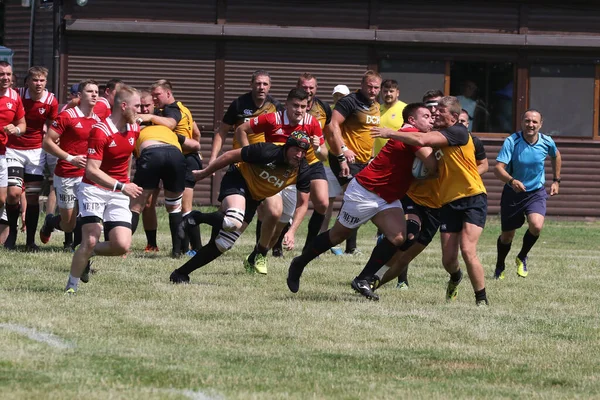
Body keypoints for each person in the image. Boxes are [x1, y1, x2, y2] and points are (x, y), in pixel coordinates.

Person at [286, 103, 437, 300]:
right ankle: (300, 262)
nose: (432, 119)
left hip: (387, 198)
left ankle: (363, 280)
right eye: (426, 116)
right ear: (412, 121)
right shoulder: (411, 134)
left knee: (399, 237)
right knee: (338, 235)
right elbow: (433, 165)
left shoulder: (417, 137)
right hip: (366, 192)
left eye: (432, 116)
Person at [372, 96, 489, 306]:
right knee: (448, 260)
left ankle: (481, 300)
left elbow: (421, 140)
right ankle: (455, 277)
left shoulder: (458, 132)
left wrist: (390, 133)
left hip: (473, 198)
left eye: (440, 110)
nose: (435, 113)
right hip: (448, 202)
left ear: (454, 117)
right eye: (433, 111)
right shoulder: (439, 135)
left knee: (467, 249)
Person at [169, 131, 312, 283]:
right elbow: (230, 156)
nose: (299, 155)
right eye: (296, 149)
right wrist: (204, 173)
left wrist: (292, 231)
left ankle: (181, 273)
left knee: (223, 244)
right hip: (238, 179)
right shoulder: (267, 151)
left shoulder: (302, 170)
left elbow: (303, 204)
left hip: (254, 198)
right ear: (287, 146)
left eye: (303, 152)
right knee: (233, 221)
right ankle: (197, 217)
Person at [233, 88, 325, 273]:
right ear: (287, 104)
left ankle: (257, 254)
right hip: (270, 175)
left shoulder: (312, 123)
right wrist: (248, 155)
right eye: (295, 106)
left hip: (292, 177)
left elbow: (323, 155)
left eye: (303, 107)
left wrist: (317, 148)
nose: (299, 110)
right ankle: (251, 252)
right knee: (274, 213)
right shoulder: (273, 118)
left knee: (279, 227)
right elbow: (242, 129)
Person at [64, 86, 143, 294]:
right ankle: (71, 287)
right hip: (94, 189)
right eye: (137, 106)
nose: (140, 110)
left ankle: (86, 253)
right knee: (90, 238)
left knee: (121, 245)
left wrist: (124, 183)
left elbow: (126, 158)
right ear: (124, 106)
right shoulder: (100, 131)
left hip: (118, 191)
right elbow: (91, 171)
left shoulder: (134, 128)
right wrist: (122, 186)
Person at [210, 70, 282, 257]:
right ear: (251, 84)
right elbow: (221, 131)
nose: (261, 87)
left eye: (265, 84)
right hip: (241, 161)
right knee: (227, 208)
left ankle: (258, 252)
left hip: (264, 165)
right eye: (258, 83)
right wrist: (213, 158)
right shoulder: (239, 104)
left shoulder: (276, 106)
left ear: (270, 86)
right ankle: (211, 244)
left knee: (270, 210)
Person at [268, 74, 331, 258]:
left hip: (312, 161)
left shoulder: (323, 108)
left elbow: (325, 149)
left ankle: (309, 247)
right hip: (289, 163)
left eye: (312, 88)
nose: (308, 91)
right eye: (305, 87)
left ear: (316, 89)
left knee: (323, 203)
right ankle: (275, 243)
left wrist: (320, 148)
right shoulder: (282, 111)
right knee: (281, 208)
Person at [493, 109, 561, 279]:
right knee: (507, 236)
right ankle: (500, 265)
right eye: (527, 121)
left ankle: (522, 256)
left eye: (534, 122)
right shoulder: (512, 141)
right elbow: (498, 168)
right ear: (522, 122)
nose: (530, 125)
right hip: (513, 192)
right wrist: (511, 181)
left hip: (536, 192)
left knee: (536, 226)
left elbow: (556, 156)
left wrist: (556, 180)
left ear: (540, 124)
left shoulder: (547, 141)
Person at [137, 79, 202, 257]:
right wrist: (195, 145)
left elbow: (172, 125)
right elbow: (196, 132)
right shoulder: (183, 108)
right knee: (159, 203)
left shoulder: (170, 110)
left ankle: (195, 248)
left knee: (184, 207)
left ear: (168, 93)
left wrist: (150, 118)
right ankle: (174, 246)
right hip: (176, 158)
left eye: (157, 95)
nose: (155, 99)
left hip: (185, 159)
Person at [40, 80, 101, 250]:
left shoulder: (98, 120)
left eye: (96, 91)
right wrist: (70, 158)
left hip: (88, 176)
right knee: (68, 224)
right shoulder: (67, 116)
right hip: (66, 173)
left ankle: (82, 254)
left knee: (87, 216)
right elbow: (47, 143)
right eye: (90, 91)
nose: (94, 94)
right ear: (80, 96)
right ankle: (50, 222)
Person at [4, 66, 58, 251]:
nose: (38, 84)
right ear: (27, 82)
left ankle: (30, 241)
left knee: (33, 198)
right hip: (13, 149)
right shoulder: (17, 94)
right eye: (35, 80)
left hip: (36, 152)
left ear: (46, 82)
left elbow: (54, 126)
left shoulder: (51, 101)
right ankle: (11, 235)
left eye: (42, 80)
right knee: (13, 193)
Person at [327, 70, 382, 255]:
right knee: (355, 199)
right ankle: (338, 243)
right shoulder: (349, 101)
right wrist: (343, 150)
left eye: (376, 87)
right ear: (362, 85)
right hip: (344, 158)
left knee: (356, 201)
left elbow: (369, 133)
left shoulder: (376, 105)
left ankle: (342, 244)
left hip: (365, 160)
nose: (373, 90)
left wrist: (372, 156)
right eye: (370, 86)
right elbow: (333, 126)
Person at [320, 84, 349, 255]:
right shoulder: (327, 112)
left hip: (348, 160)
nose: (339, 98)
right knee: (327, 202)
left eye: (342, 96)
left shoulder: (353, 112)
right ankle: (324, 238)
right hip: (329, 162)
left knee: (350, 199)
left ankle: (341, 239)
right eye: (337, 95)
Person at [0, 62, 27, 249]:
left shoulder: (14, 96)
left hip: (2, 152)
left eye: (8, 74)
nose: (5, 78)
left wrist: (15, 129)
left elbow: (23, 124)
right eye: (2, 74)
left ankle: (9, 231)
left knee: (2, 199)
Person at [374, 79, 406, 157]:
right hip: (377, 158)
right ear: (381, 92)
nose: (388, 94)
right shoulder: (376, 110)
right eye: (385, 91)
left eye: (391, 91)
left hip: (398, 157)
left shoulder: (406, 109)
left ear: (397, 93)